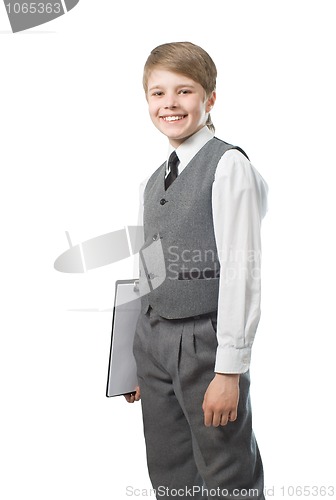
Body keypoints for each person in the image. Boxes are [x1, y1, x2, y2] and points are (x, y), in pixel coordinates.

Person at [125, 41, 268, 500]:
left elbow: (241, 270)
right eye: (157, 93)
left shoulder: (228, 166)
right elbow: (147, 272)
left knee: (226, 474)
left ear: (209, 99)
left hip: (206, 342)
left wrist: (229, 371)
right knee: (169, 472)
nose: (169, 103)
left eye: (184, 91)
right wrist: (130, 361)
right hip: (154, 342)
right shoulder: (153, 180)